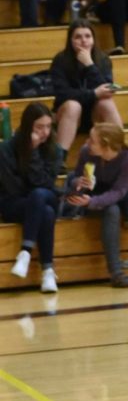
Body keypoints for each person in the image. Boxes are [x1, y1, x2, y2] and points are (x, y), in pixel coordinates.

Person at [65, 122, 128, 288]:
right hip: (98, 190)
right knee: (111, 211)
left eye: (92, 140)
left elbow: (119, 191)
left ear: (106, 145)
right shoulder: (86, 152)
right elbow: (74, 178)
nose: (87, 143)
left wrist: (93, 202)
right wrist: (79, 183)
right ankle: (116, 272)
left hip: (125, 190)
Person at [0, 102, 63, 292]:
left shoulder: (54, 150)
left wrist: (34, 152)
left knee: (40, 195)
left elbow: (45, 184)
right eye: (39, 127)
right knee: (46, 212)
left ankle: (25, 253)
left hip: (44, 195)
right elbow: (12, 189)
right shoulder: (6, 149)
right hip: (14, 203)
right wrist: (30, 151)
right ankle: (47, 272)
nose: (44, 132)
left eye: (48, 126)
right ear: (28, 126)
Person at [50, 19, 122, 152]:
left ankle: (122, 151)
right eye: (78, 37)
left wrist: (90, 65)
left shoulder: (103, 59)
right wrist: (93, 94)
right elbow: (62, 94)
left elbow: (108, 89)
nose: (84, 40)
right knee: (73, 105)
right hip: (68, 114)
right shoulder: (60, 60)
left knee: (107, 102)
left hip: (94, 114)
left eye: (88, 36)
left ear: (93, 39)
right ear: (70, 41)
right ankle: (59, 158)